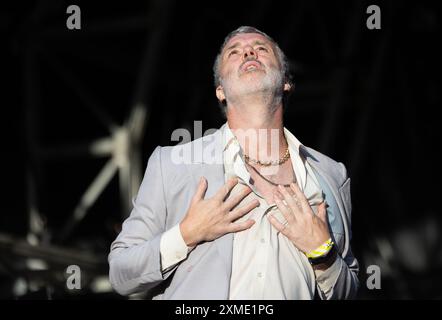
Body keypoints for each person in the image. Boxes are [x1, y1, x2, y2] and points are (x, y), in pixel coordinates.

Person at [108, 26, 359, 299]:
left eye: (261, 49)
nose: (249, 51)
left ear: (286, 81)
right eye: (234, 53)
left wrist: (323, 254)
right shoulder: (172, 164)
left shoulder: (331, 174)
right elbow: (122, 274)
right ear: (220, 91)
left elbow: (348, 289)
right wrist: (186, 234)